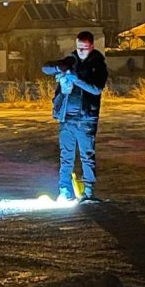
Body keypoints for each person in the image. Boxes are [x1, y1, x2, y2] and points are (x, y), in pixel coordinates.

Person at [41, 31, 108, 202]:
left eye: (85, 49)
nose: (81, 52)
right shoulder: (71, 60)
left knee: (87, 156)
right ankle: (65, 190)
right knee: (66, 157)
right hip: (67, 118)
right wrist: (60, 70)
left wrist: (75, 79)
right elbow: (45, 67)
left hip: (86, 119)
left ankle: (89, 192)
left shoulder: (98, 65)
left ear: (91, 47)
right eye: (79, 48)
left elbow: (96, 89)